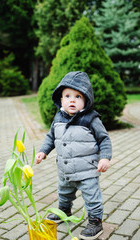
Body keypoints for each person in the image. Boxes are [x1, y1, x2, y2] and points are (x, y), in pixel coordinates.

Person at [35, 71, 112, 240]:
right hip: (65, 170)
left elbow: (104, 139)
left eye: (77, 96)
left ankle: (95, 221)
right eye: (67, 96)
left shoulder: (91, 119)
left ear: (86, 99)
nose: (72, 100)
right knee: (63, 193)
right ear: (61, 99)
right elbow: (51, 137)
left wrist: (105, 157)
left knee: (92, 197)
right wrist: (43, 151)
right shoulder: (59, 117)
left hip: (87, 170)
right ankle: (64, 210)